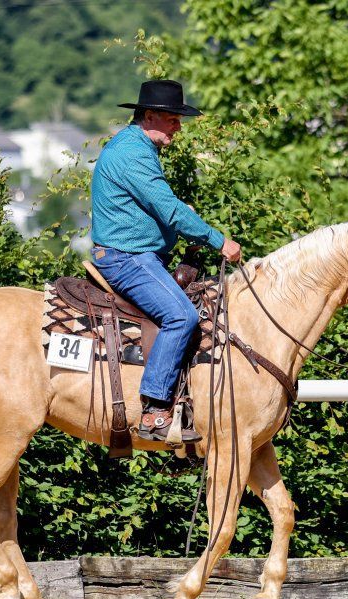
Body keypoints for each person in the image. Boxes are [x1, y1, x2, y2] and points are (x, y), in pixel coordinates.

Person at [90, 79, 241, 443]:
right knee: (181, 316)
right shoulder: (134, 153)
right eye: (173, 119)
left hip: (136, 254)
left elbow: (157, 210)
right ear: (151, 116)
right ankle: (156, 407)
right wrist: (219, 241)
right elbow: (169, 209)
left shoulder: (135, 147)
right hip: (126, 259)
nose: (178, 126)